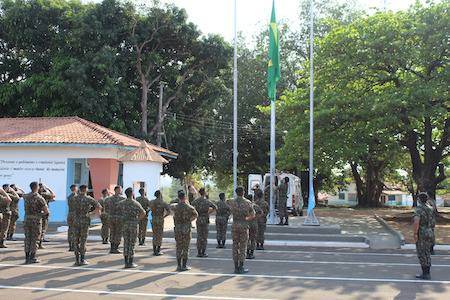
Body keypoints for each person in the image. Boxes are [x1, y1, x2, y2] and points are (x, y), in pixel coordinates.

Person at [226, 186, 255, 274]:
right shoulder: (247, 203)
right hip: (243, 225)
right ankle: (241, 266)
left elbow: (226, 201)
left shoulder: (232, 201)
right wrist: (247, 219)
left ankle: (235, 266)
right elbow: (253, 215)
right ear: (243, 193)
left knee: (235, 245)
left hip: (235, 224)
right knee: (243, 246)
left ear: (236, 193)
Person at [72, 184, 101, 266]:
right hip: (85, 220)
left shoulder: (74, 198)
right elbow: (99, 207)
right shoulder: (88, 199)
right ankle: (82, 259)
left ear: (79, 190)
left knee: (76, 239)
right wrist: (91, 213)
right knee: (83, 240)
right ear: (86, 190)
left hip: (76, 220)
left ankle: (76, 259)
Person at [118, 187, 146, 268]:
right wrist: (137, 220)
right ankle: (130, 262)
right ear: (132, 194)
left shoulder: (121, 203)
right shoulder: (135, 203)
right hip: (133, 224)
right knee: (132, 243)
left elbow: (118, 211)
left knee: (126, 242)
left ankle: (126, 261)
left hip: (125, 224)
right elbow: (143, 213)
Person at [170, 190, 198, 271]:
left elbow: (171, 205)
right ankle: (184, 265)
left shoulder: (175, 207)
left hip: (178, 228)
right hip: (186, 228)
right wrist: (188, 220)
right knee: (185, 246)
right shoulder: (189, 207)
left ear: (178, 198)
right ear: (185, 198)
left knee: (179, 246)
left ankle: (179, 265)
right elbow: (195, 215)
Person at [22, 181, 49, 264]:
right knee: (35, 239)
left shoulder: (26, 196)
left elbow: (23, 194)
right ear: (37, 187)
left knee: (27, 238)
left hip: (27, 219)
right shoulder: (40, 198)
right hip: (36, 220)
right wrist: (39, 213)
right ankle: (32, 257)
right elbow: (46, 211)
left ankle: (27, 257)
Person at [413, 193, 435, 280]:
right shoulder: (430, 208)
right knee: (427, 252)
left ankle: (425, 273)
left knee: (421, 252)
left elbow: (416, 222)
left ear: (419, 199)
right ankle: (427, 271)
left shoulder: (419, 209)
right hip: (429, 231)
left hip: (422, 232)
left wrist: (415, 233)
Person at [191, 187, 217, 257]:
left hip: (199, 219)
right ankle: (203, 252)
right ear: (205, 193)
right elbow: (215, 207)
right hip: (205, 219)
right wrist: (209, 212)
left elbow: (191, 207)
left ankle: (199, 252)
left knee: (199, 236)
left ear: (199, 193)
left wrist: (195, 213)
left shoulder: (196, 201)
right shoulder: (208, 201)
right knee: (204, 236)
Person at [148, 190, 171, 255]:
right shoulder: (163, 203)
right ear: (160, 195)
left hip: (154, 219)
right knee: (159, 235)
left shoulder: (151, 202)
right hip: (160, 219)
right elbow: (169, 212)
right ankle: (158, 249)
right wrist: (164, 216)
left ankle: (154, 249)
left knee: (154, 234)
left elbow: (149, 208)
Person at [104, 186, 126, 253]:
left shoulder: (108, 199)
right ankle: (116, 247)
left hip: (111, 217)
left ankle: (112, 246)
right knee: (118, 232)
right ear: (118, 190)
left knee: (112, 231)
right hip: (119, 217)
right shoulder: (123, 198)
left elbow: (106, 207)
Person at [38, 183, 55, 248]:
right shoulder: (44, 194)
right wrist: (48, 188)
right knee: (43, 227)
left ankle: (39, 240)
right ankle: (40, 242)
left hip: (37, 212)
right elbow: (53, 195)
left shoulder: (37, 195)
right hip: (44, 212)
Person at [246, 195, 263, 259]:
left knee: (247, 239)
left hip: (246, 223)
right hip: (254, 223)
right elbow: (261, 213)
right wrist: (256, 217)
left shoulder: (245, 206)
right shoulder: (255, 205)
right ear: (252, 199)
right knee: (253, 239)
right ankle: (252, 253)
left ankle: (247, 253)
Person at [66, 184, 78, 251]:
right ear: (75, 189)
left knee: (70, 229)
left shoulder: (68, 197)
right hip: (75, 214)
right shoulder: (76, 197)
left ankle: (70, 245)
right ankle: (73, 244)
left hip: (70, 213)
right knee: (75, 230)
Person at [426, 190, 437, 255]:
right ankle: (431, 248)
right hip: (432, 219)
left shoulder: (428, 202)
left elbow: (430, 210)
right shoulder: (433, 201)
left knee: (428, 234)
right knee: (431, 234)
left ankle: (430, 248)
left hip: (429, 220)